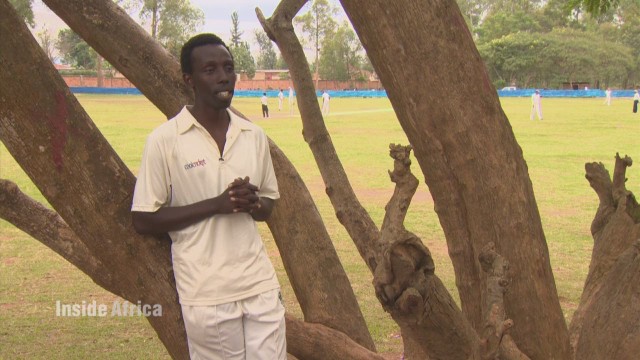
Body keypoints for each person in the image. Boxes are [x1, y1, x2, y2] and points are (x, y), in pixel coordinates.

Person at [131, 33, 286, 360]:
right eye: (210, 70)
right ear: (190, 79)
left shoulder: (253, 136)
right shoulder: (165, 141)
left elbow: (269, 205)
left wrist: (253, 203)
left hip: (259, 285)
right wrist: (216, 205)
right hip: (206, 293)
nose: (223, 77)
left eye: (228, 68)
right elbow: (143, 219)